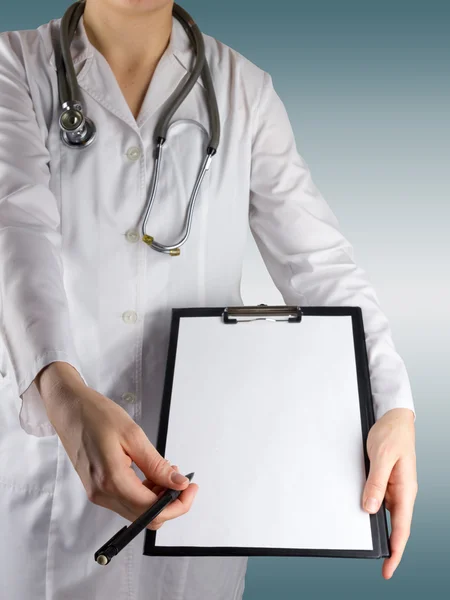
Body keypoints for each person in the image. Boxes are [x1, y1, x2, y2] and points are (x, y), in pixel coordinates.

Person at [0, 0, 417, 598]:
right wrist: (60, 392)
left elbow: (321, 266)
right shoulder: (13, 65)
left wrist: (392, 407)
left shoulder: (243, 90)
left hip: (195, 498)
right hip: (45, 487)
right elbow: (14, 231)